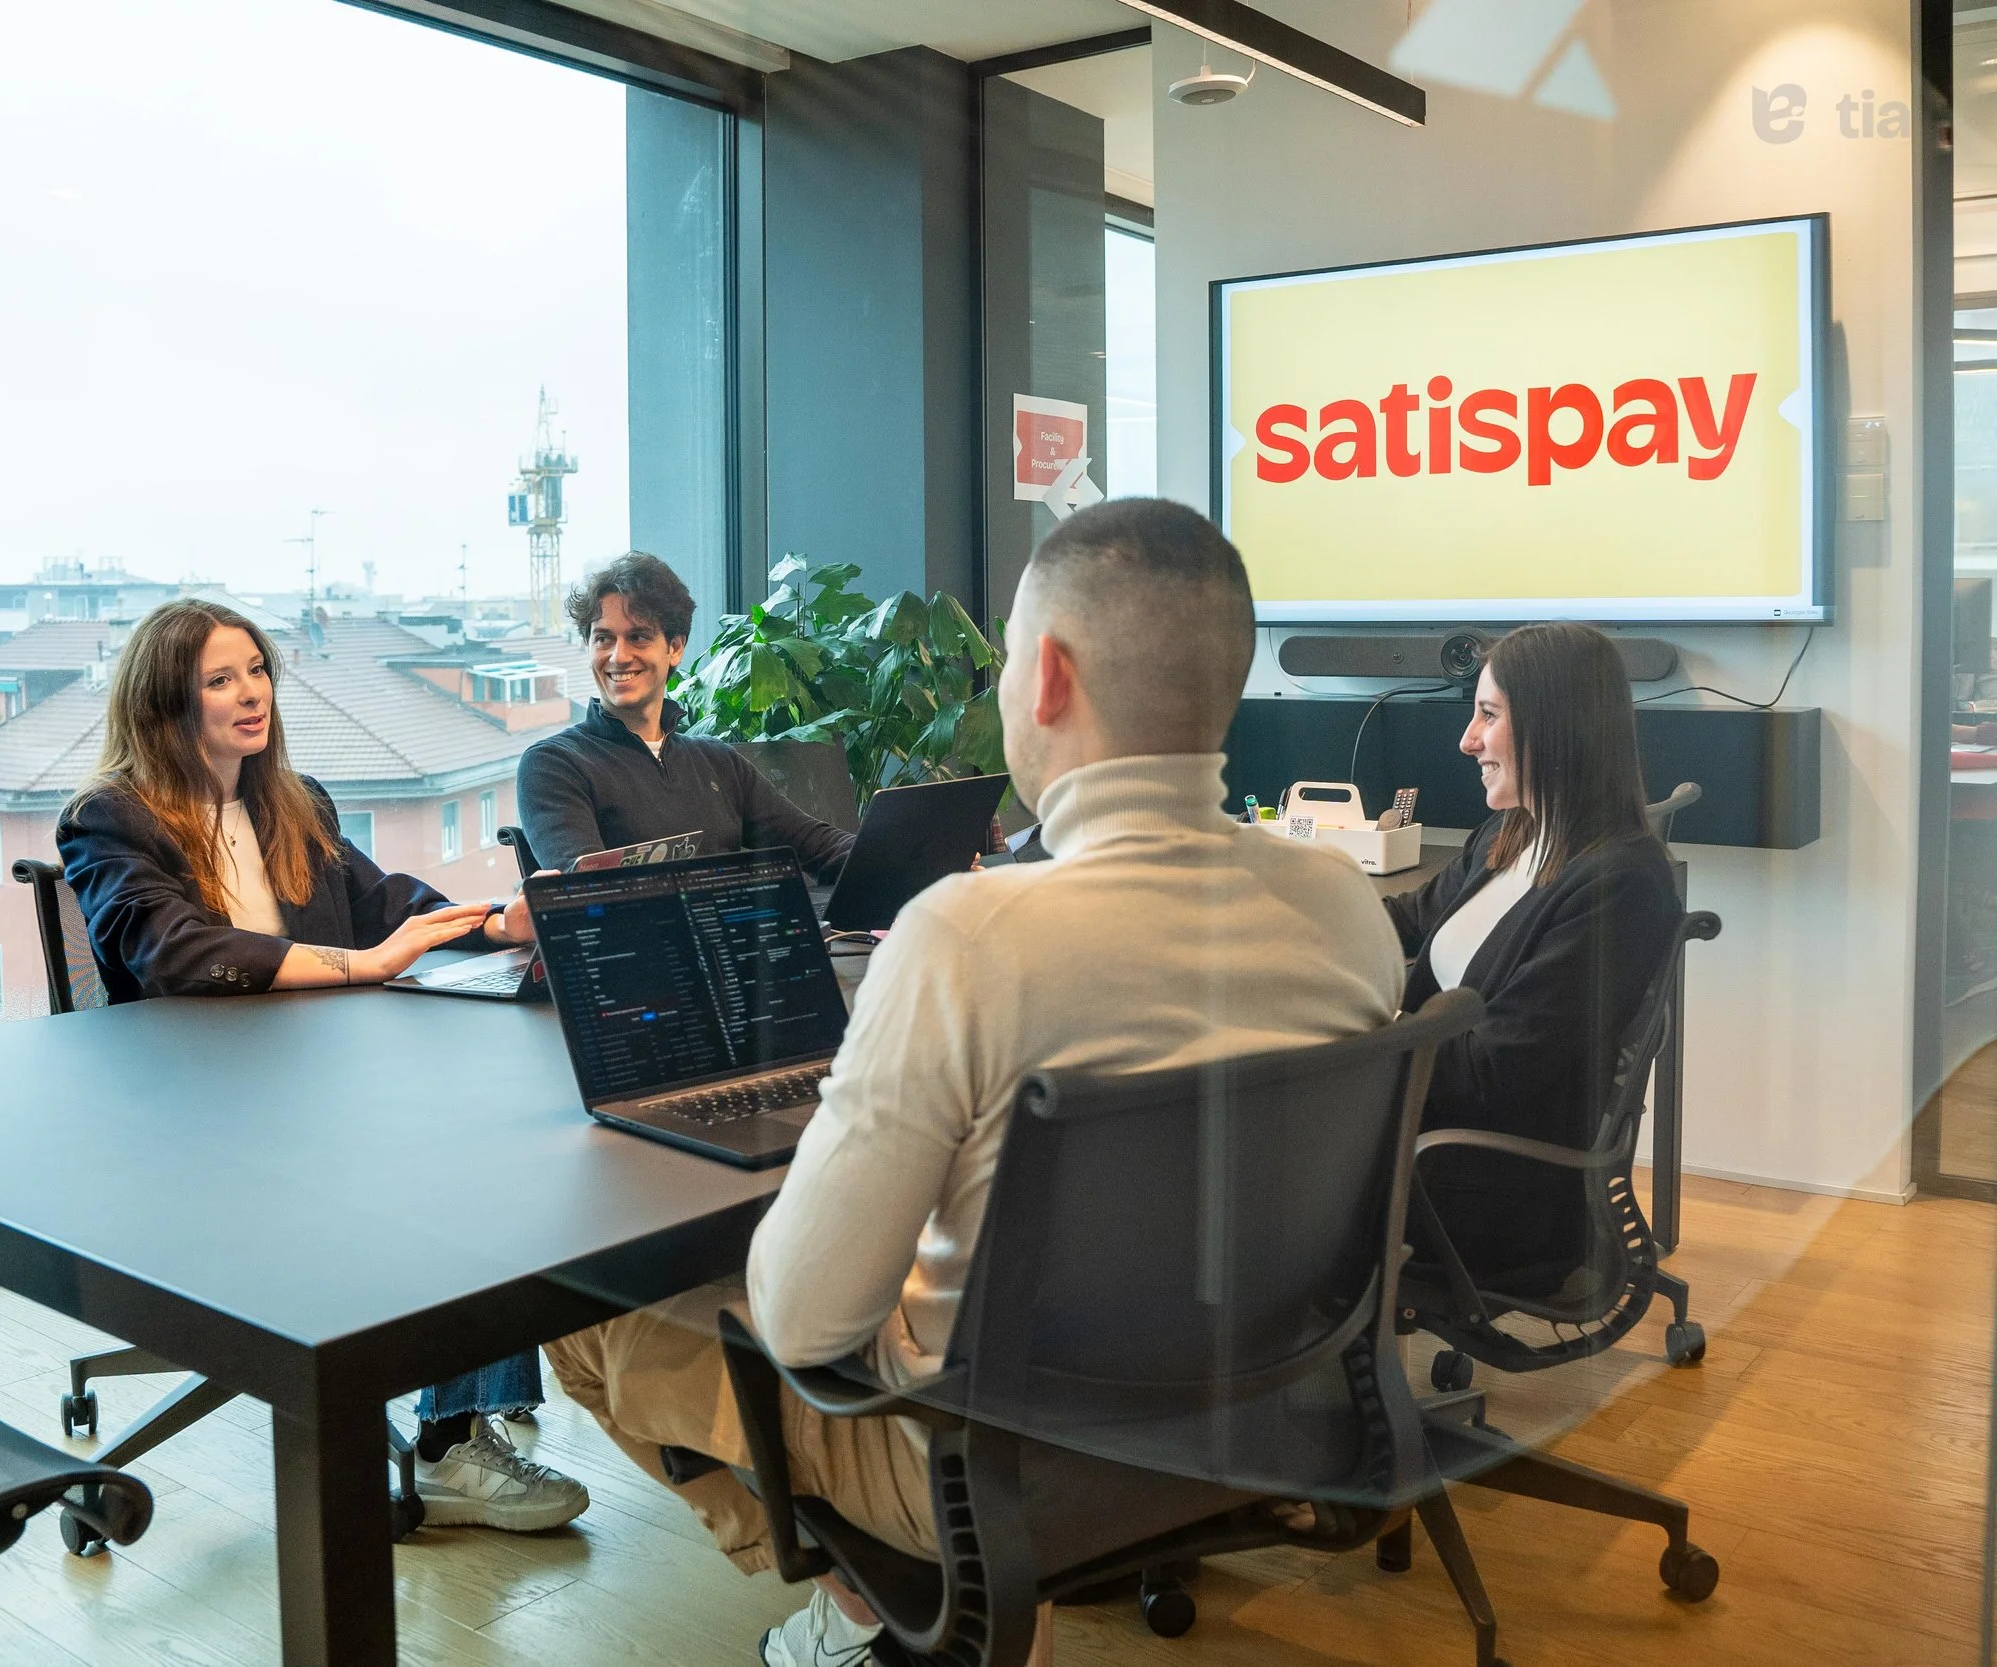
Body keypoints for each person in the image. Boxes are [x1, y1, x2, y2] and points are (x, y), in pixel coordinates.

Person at [543, 500, 1406, 1667]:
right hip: (1259, 1412)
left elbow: (803, 1320)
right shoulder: (1347, 908)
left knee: (595, 1323)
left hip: (993, 1462)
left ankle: (881, 1611)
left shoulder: (968, 938)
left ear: (1045, 676)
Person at [57, 596, 589, 1532]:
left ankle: (453, 1431)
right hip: (196, 1125)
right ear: (164, 703)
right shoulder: (110, 822)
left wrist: (494, 920)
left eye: (257, 669)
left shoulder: (290, 805)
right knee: (459, 1163)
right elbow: (175, 952)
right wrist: (364, 966)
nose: (250, 692)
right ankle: (453, 1440)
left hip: (317, 1089)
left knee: (501, 1136)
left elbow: (387, 905)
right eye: (220, 679)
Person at [1384, 621, 1683, 1292]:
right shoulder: (1512, 833)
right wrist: (1298, 915)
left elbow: (1498, 1068)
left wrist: (1367, 1038)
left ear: (1555, 723)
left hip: (1488, 1188)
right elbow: (1414, 919)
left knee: (1253, 1155)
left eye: (1488, 714)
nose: (1468, 740)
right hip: (1423, 1133)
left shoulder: (1622, 884)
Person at [513, 551, 858, 875]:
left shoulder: (717, 761)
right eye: (603, 639)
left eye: (638, 637)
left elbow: (817, 845)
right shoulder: (554, 765)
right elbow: (582, 891)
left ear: (675, 648)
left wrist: (895, 857)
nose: (618, 656)